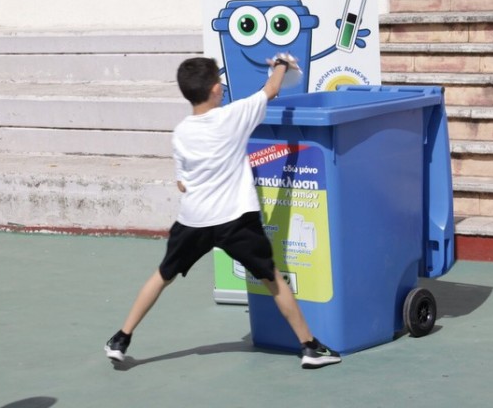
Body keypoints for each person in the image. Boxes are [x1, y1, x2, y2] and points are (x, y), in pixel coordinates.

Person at [104, 54, 342, 370]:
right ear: (216, 89)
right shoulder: (234, 115)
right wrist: (281, 64)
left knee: (163, 275)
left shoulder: (181, 132)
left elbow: (182, 184)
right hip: (236, 220)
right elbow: (272, 89)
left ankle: (121, 338)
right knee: (273, 279)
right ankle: (310, 348)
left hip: (193, 221)